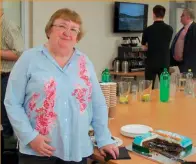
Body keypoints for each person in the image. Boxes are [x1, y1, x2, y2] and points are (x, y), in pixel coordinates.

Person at [4, 8, 119, 164]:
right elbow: (12, 102)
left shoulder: (84, 62)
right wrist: (30, 137)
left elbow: (97, 103)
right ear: (49, 29)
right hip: (38, 149)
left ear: (77, 37)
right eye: (62, 26)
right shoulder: (29, 59)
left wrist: (104, 138)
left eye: (73, 29)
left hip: (77, 149)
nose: (67, 32)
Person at [1, 8, 24, 138]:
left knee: (5, 119)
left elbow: (19, 53)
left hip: (6, 78)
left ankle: (6, 154)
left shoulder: (9, 26)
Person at [170, 8, 196, 78]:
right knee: (183, 85)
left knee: (191, 85)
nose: (180, 17)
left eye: (182, 15)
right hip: (182, 64)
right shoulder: (183, 29)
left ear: (188, 17)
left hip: (192, 65)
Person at [141, 5, 173, 89]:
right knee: (164, 87)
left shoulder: (148, 30)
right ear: (163, 15)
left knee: (148, 89)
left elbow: (143, 47)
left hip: (151, 62)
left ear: (153, 14)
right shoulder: (169, 29)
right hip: (164, 62)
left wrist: (149, 46)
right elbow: (165, 43)